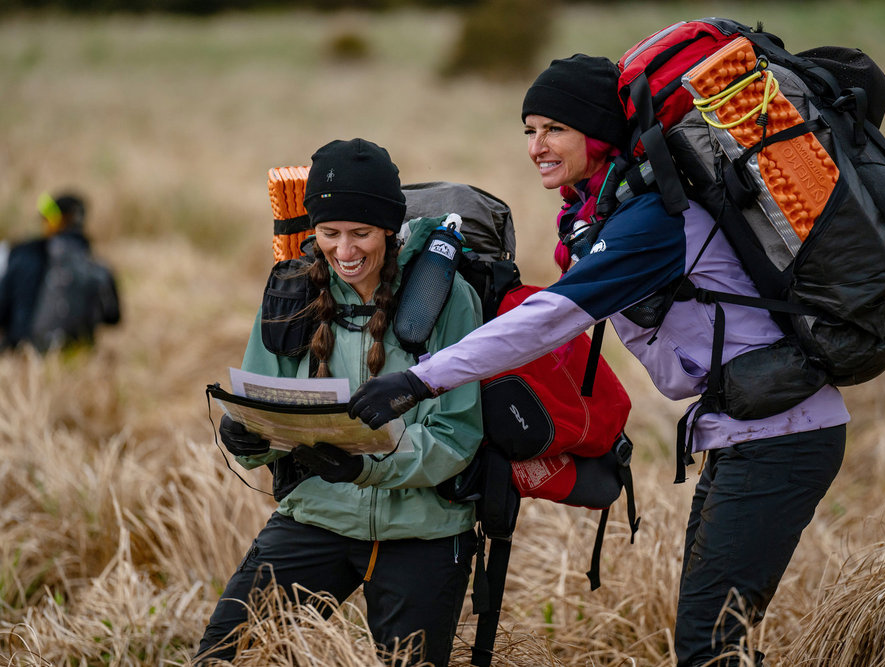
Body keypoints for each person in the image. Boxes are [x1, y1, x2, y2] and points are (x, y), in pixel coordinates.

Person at [347, 55, 851, 666]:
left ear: (598, 134)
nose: (537, 146)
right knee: (714, 639)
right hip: (747, 429)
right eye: (529, 130)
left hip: (781, 436)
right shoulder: (607, 214)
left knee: (708, 645)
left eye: (554, 128)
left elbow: (555, 318)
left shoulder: (656, 221)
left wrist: (420, 380)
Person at [195, 139, 484, 666]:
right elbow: (263, 400)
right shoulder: (290, 291)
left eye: (361, 233)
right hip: (315, 516)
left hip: (425, 530)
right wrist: (247, 440)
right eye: (330, 233)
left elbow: (456, 436)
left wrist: (363, 467)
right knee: (225, 655)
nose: (345, 251)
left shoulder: (449, 299)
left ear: (390, 230)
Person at [0, 191, 120, 351]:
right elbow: (113, 317)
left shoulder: (25, 253)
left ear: (55, 220)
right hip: (76, 355)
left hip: (22, 353)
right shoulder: (98, 268)